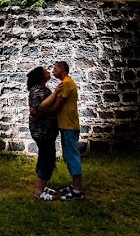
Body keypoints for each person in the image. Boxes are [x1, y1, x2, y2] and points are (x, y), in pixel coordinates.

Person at [34, 60, 83, 201]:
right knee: (69, 156)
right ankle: (74, 186)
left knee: (72, 156)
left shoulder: (66, 83)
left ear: (62, 68)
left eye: (55, 68)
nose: (53, 70)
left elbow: (56, 107)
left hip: (68, 125)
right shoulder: (66, 83)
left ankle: (77, 190)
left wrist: (40, 109)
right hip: (66, 125)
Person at [26, 66, 61, 199]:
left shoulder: (41, 89)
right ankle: (39, 192)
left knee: (45, 157)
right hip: (42, 131)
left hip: (46, 130)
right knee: (47, 159)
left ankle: (42, 186)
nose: (49, 72)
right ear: (41, 76)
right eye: (46, 71)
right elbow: (39, 108)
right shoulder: (37, 90)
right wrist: (56, 93)